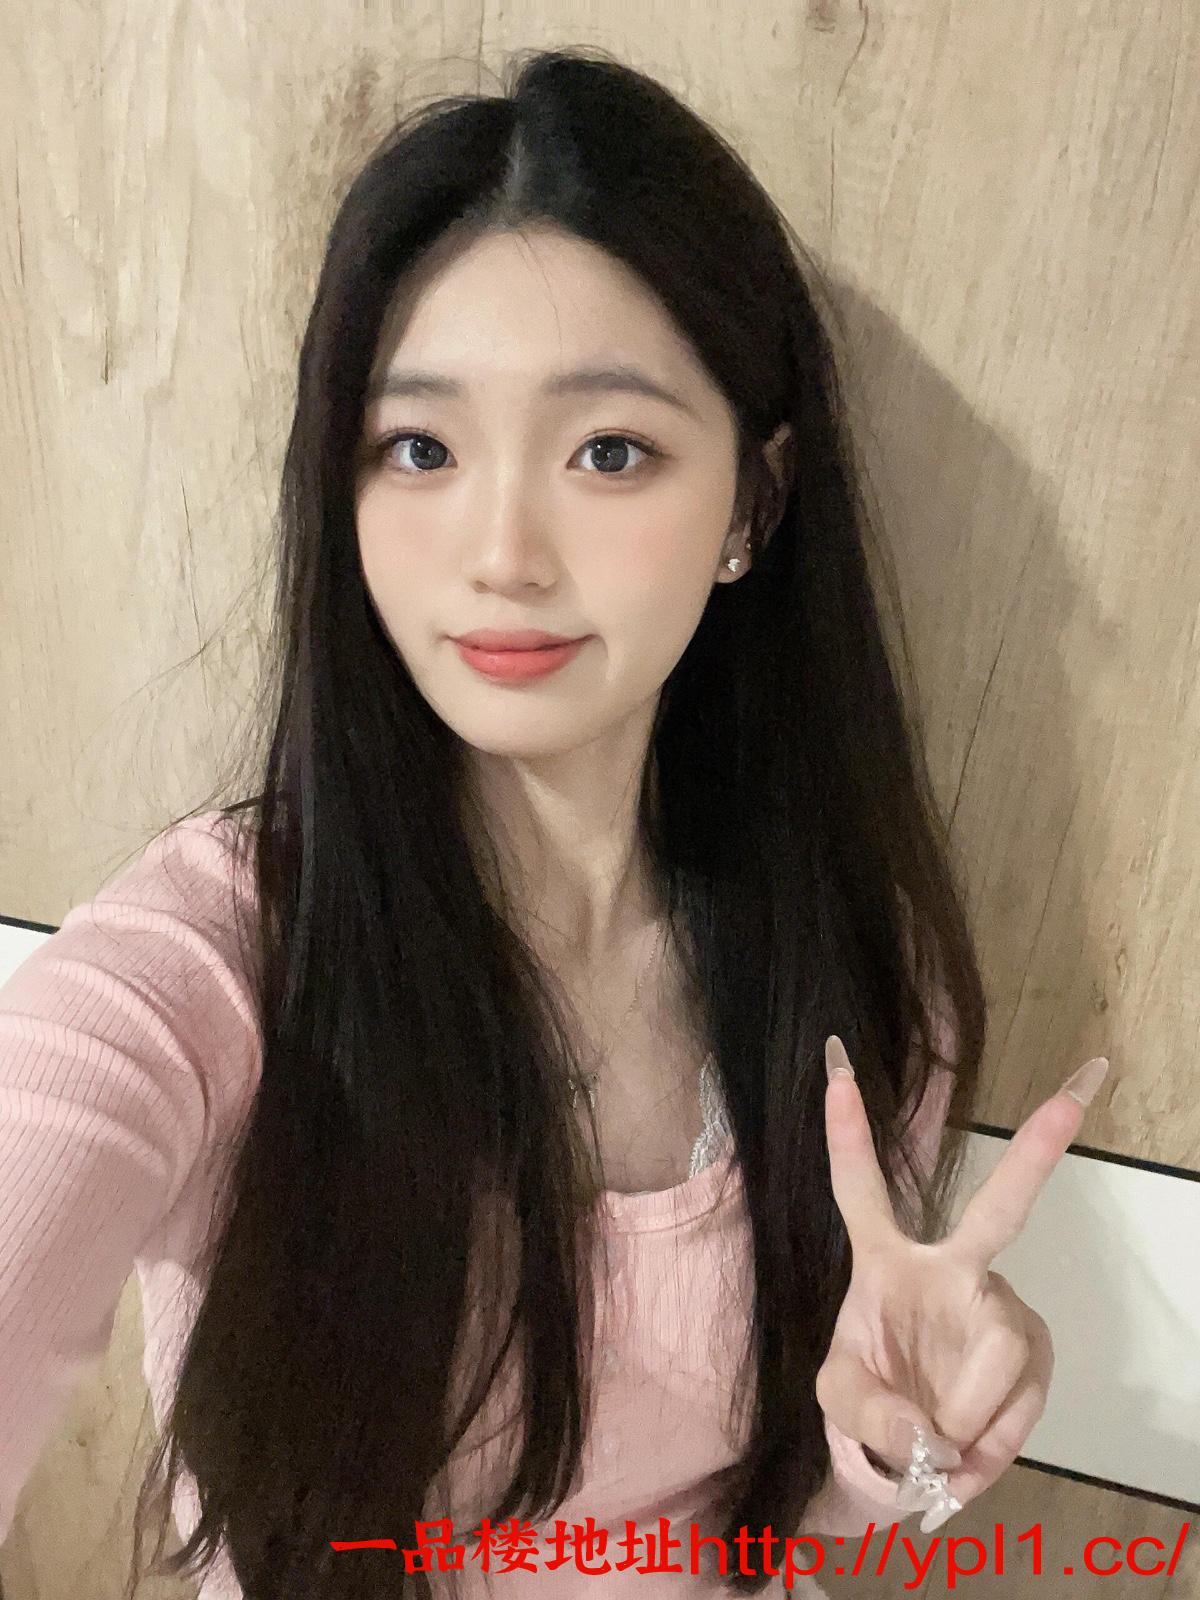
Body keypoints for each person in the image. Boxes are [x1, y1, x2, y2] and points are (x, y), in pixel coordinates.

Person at [0, 44, 1108, 1600]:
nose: (502, 552)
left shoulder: (850, 981)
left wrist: (903, 1449)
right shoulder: (214, 970)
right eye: (420, 448)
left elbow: (787, 1536)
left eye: (609, 451)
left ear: (752, 504)